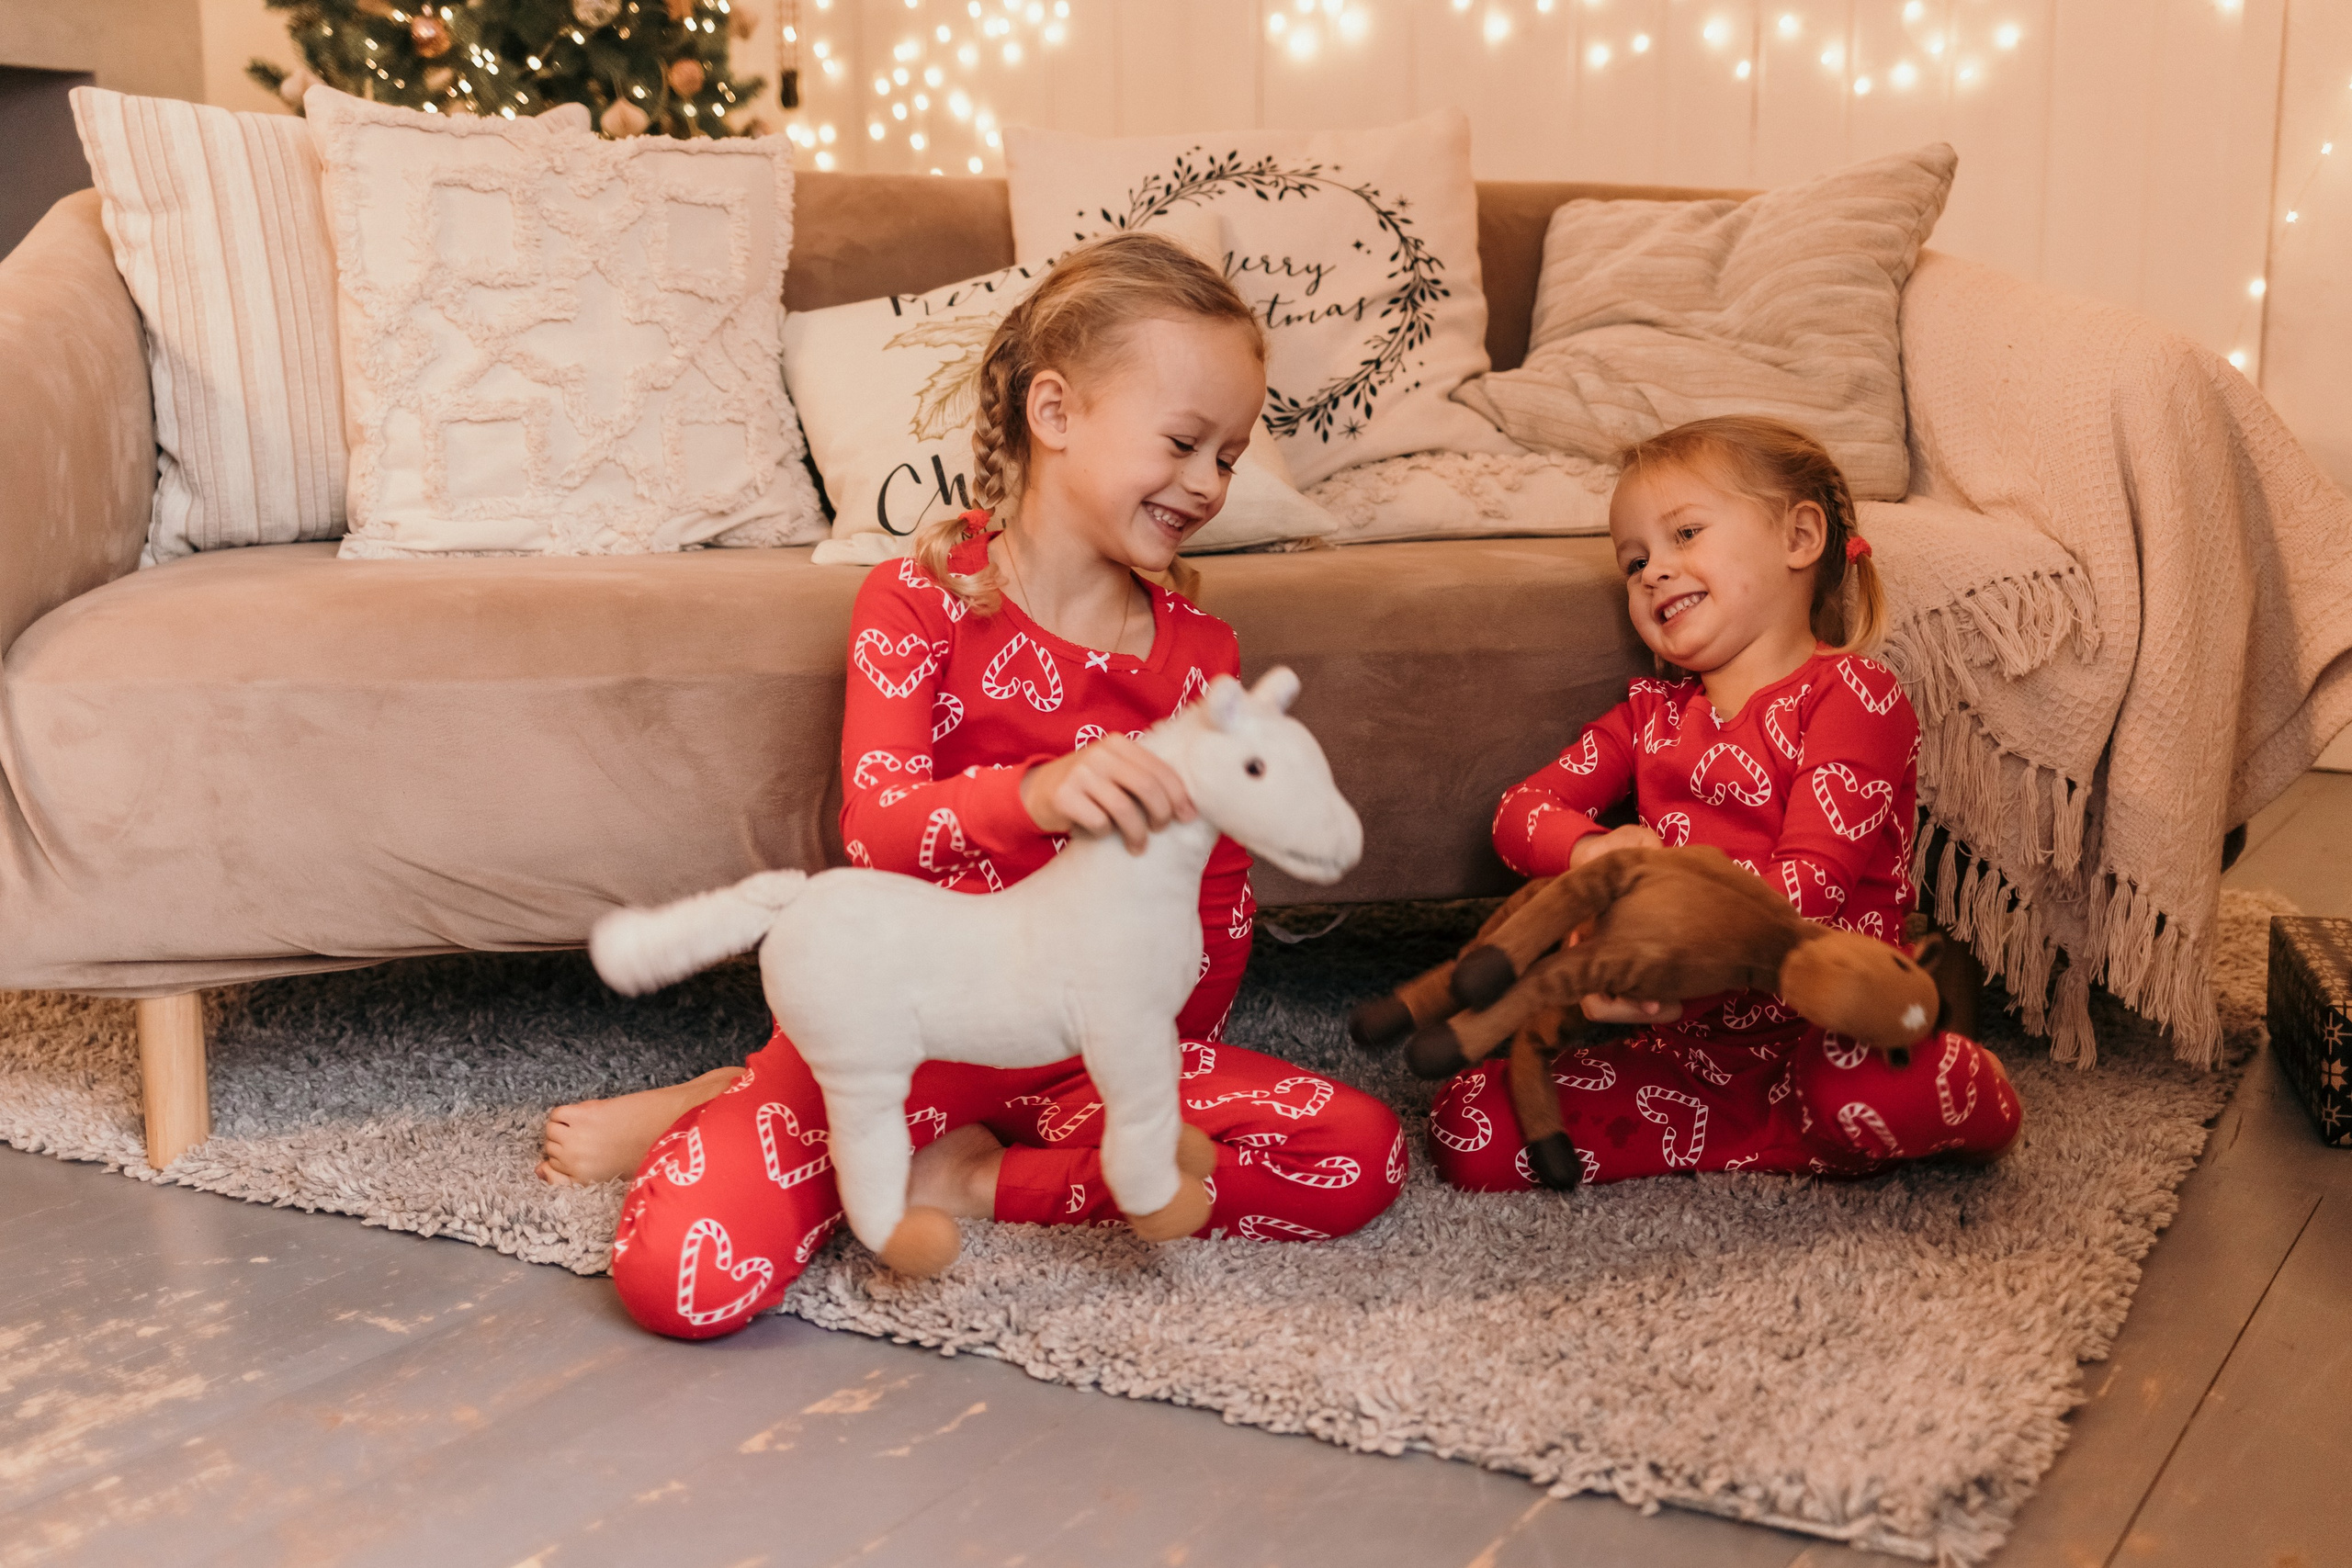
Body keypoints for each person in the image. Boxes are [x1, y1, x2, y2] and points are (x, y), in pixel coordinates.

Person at [548, 231, 1405, 1337]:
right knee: (680, 1284)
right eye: (1184, 442)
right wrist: (1037, 796)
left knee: (1357, 1157)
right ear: (1054, 414)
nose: (1207, 484)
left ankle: (967, 1180)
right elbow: (878, 831)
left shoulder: (1204, 658)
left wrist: (1147, 1068)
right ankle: (748, 1086)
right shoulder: (915, 604)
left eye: (1229, 456)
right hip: (915, 1033)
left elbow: (1216, 899)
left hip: (1094, 1049)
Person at [1432, 415, 2021, 1190]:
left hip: (1829, 1025)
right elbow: (1519, 810)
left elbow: (1811, 888)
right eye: (1635, 558)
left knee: (1862, 1087)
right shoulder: (1650, 716)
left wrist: (1657, 933)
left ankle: (1952, 1091)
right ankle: (1776, 1136)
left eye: (1685, 533)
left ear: (1799, 537)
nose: (1652, 571)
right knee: (1467, 1125)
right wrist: (1595, 855)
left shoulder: (1853, 695)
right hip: (1684, 1054)